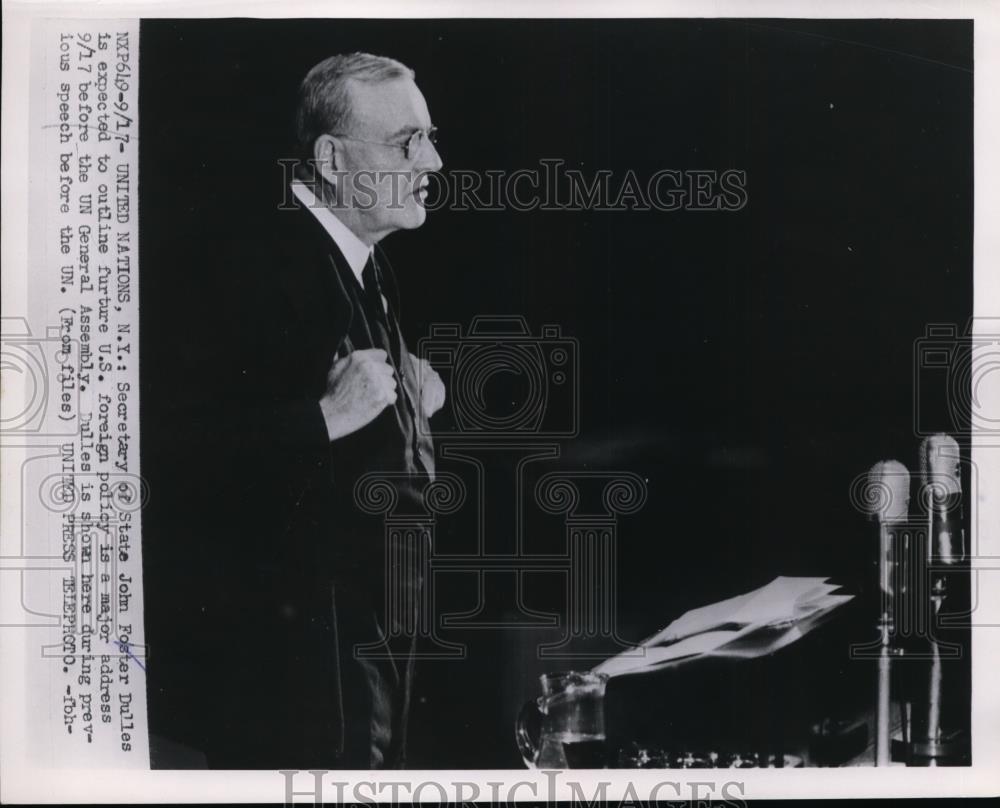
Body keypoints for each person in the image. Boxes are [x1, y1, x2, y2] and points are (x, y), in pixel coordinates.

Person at [147, 52, 447, 770]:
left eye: (432, 137)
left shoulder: (365, 264)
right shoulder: (255, 262)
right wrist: (322, 418)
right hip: (295, 697)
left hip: (363, 672)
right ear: (332, 158)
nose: (432, 161)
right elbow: (162, 452)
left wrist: (409, 406)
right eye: (408, 142)